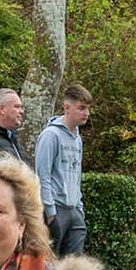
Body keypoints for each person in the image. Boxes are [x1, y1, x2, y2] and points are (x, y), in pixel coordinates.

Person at [35, 85, 90, 257]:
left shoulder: (78, 140)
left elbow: (76, 176)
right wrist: (50, 211)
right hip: (56, 209)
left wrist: (79, 209)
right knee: (50, 263)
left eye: (88, 108)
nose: (86, 113)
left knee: (75, 266)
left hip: (74, 210)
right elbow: (42, 175)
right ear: (67, 108)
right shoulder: (51, 135)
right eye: (82, 108)